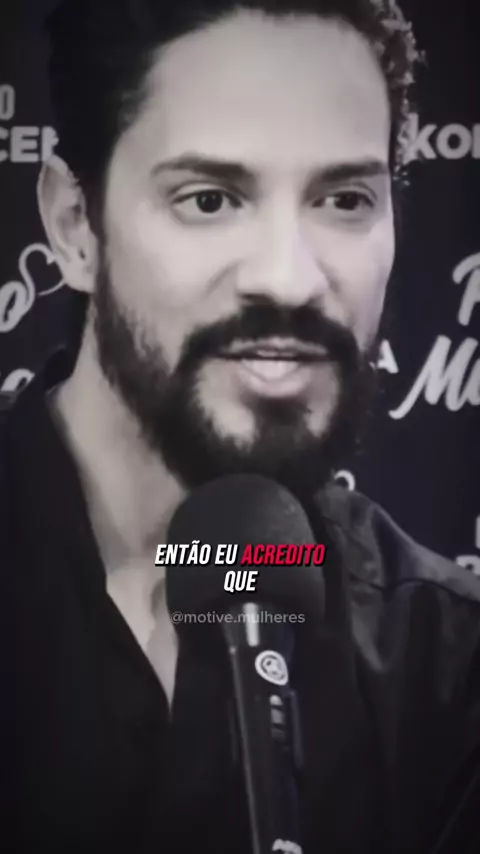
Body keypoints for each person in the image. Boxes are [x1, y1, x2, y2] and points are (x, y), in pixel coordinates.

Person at [1, 0, 480, 851]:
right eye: (210, 199)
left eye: (344, 198)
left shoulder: (449, 668)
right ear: (76, 226)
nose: (288, 279)